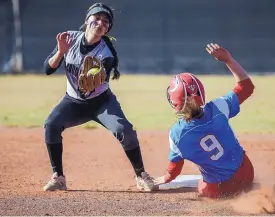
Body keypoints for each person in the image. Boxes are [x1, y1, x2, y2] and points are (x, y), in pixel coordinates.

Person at [42, 2, 155, 191]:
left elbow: (88, 90)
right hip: (73, 102)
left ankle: (141, 175)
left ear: (107, 29)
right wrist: (61, 51)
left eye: (106, 22)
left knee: (124, 129)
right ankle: (58, 177)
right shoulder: (69, 39)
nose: (100, 23)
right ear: (87, 20)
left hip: (101, 103)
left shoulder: (106, 53)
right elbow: (47, 69)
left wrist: (91, 81)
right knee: (51, 125)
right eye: (97, 18)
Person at [153, 43, 255, 198]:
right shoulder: (218, 107)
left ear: (175, 103)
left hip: (224, 188)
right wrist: (229, 60)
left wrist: (166, 178)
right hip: (247, 172)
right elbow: (246, 87)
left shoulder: (177, 133)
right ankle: (249, 188)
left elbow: (174, 169)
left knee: (203, 188)